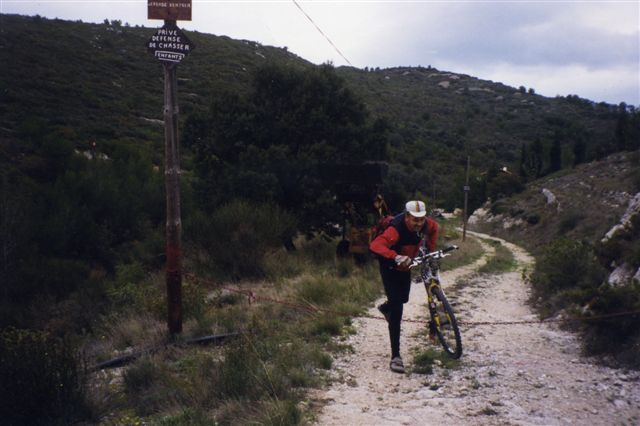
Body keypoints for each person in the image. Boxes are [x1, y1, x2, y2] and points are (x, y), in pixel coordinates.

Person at [369, 200, 439, 373]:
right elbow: (375, 245)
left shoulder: (426, 225)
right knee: (398, 307)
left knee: (404, 298)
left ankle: (386, 308)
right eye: (414, 219)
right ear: (407, 216)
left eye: (421, 219)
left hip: (406, 265)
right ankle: (396, 356)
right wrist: (395, 256)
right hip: (390, 266)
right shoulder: (395, 229)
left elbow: (434, 229)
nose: (418, 223)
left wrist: (430, 252)